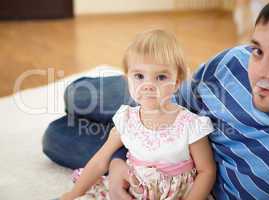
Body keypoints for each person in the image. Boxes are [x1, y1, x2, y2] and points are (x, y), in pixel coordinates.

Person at [43, 0, 269, 199]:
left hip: (183, 164)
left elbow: (206, 172)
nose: (260, 73)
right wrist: (118, 160)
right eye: (257, 50)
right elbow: (175, 99)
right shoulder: (234, 62)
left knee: (55, 136)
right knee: (77, 94)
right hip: (165, 106)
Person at [60, 29, 216, 200]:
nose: (148, 85)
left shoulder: (191, 124)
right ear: (127, 79)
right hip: (134, 193)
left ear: (176, 83)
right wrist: (73, 194)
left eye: (161, 77)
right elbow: (99, 162)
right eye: (139, 76)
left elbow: (206, 171)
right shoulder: (126, 118)